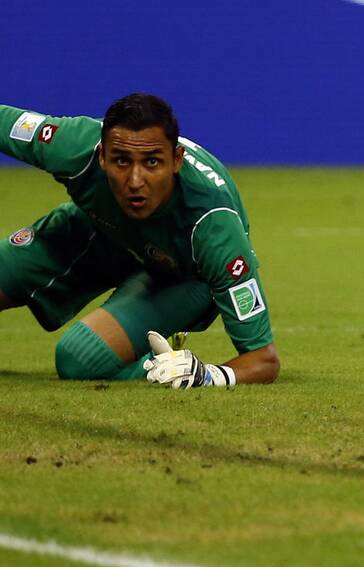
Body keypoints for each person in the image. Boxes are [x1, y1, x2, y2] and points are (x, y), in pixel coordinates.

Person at [0, 94, 279, 387]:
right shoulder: (75, 146)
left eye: (152, 162)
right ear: (101, 156)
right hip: (102, 231)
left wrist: (207, 376)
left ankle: (165, 364)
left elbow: (263, 359)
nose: (135, 181)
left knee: (78, 357)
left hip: (181, 274)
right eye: (121, 161)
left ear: (177, 160)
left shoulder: (213, 225)